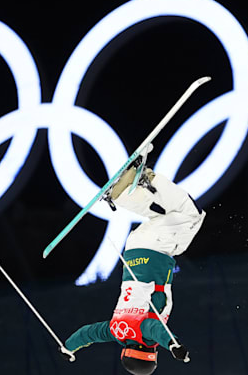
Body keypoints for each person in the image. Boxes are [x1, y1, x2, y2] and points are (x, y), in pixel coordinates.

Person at [59, 156, 206, 375]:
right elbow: (88, 334)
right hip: (136, 249)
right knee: (172, 224)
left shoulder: (143, 333)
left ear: (149, 353)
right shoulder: (115, 331)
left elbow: (155, 330)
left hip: (154, 248)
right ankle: (126, 194)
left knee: (191, 216)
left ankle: (143, 181)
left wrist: (173, 344)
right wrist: (69, 346)